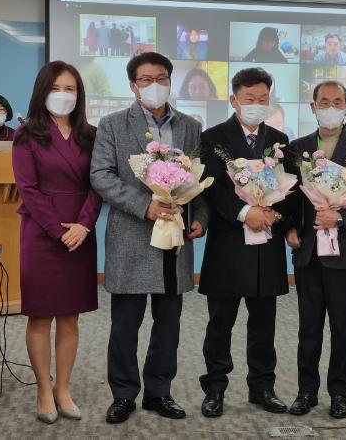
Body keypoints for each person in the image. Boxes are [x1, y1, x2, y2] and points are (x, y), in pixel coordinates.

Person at [90, 52, 209, 424]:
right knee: (125, 325)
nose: (154, 85)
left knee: (168, 324)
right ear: (133, 86)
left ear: (170, 81)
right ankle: (124, 394)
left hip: (174, 241)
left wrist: (200, 218)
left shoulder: (191, 126)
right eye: (146, 79)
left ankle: (159, 392)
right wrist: (146, 206)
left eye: (161, 78)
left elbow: (198, 181)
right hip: (131, 238)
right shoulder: (111, 124)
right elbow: (101, 175)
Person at [198, 67, 295, 417]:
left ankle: (262, 387)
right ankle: (215, 388)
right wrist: (244, 212)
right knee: (220, 323)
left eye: (262, 98)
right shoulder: (213, 138)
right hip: (228, 244)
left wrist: (273, 214)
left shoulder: (280, 140)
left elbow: (290, 189)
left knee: (264, 323)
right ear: (234, 100)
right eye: (249, 98)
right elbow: (211, 188)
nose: (256, 104)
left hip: (267, 244)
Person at [12, 61, 102, 424]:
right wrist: (59, 229)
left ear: (79, 94)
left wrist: (83, 225)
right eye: (55, 88)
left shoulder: (91, 135)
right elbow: (28, 189)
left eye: (70, 89)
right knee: (40, 315)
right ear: (42, 91)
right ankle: (43, 390)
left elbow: (98, 184)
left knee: (69, 316)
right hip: (41, 234)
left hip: (81, 234)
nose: (63, 95)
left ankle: (63, 388)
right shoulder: (26, 135)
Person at [286, 81, 346, 418]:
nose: (330, 107)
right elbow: (289, 198)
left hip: (345, 253)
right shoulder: (297, 148)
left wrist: (339, 218)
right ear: (313, 107)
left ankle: (339, 393)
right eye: (324, 102)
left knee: (343, 326)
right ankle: (306, 391)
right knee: (308, 327)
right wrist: (289, 228)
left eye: (337, 101)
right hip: (308, 252)